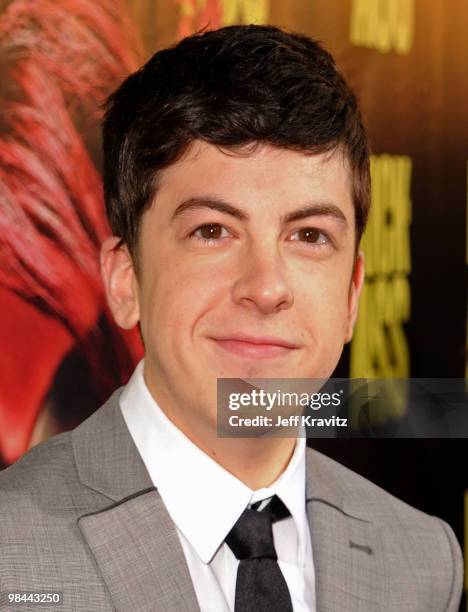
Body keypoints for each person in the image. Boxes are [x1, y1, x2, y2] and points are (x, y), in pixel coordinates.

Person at [0, 24, 462, 612]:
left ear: (351, 293)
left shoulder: (423, 561)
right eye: (212, 231)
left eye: (309, 235)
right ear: (124, 279)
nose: (266, 287)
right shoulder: (8, 554)